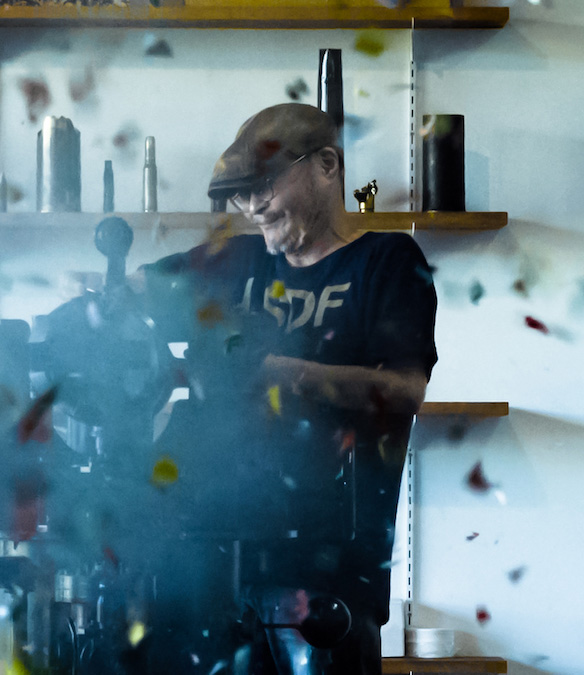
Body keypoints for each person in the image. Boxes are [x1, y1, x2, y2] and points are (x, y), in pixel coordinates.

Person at [140, 103, 438, 675]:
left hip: (328, 571)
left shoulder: (388, 261)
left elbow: (406, 391)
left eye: (264, 185)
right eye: (241, 194)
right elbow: (132, 295)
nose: (252, 205)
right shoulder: (239, 261)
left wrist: (278, 370)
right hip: (216, 564)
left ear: (326, 165)